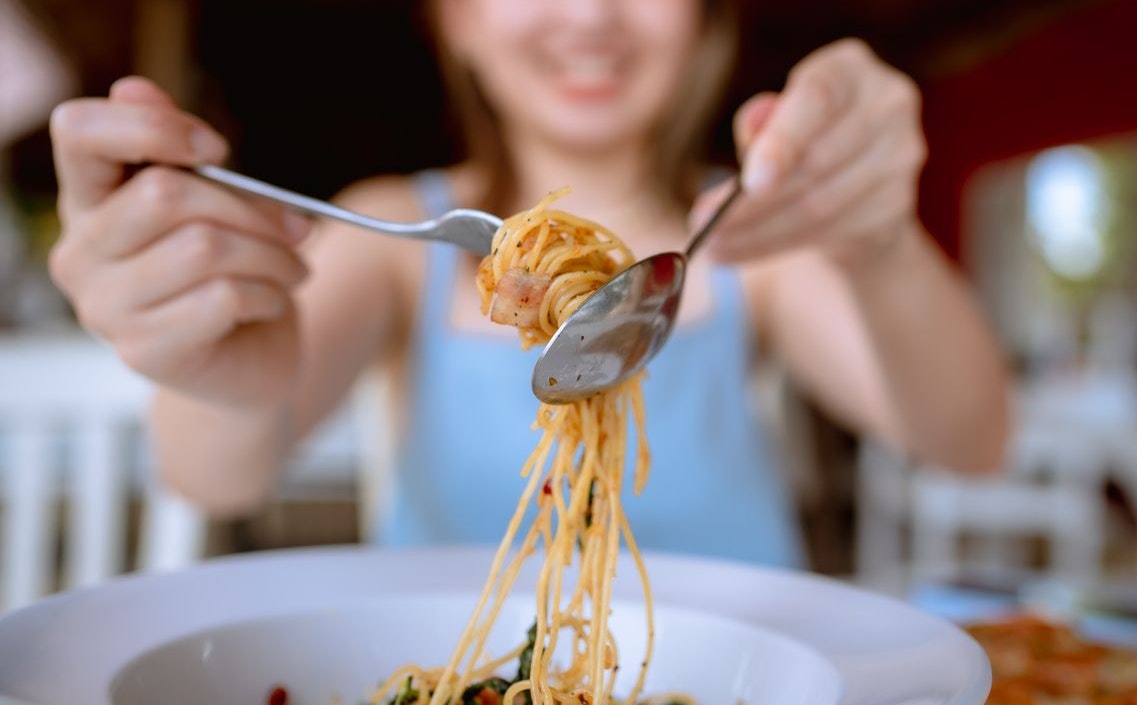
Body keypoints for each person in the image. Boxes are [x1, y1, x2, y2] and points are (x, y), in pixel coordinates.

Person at [47, 0, 1009, 568]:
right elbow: (214, 471)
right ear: (453, 19)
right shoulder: (395, 236)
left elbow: (968, 439)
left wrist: (876, 238)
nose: (589, 17)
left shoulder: (759, 230)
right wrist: (222, 374)